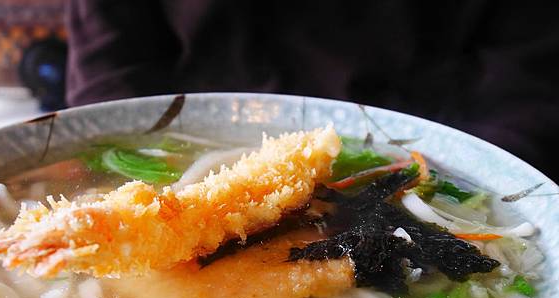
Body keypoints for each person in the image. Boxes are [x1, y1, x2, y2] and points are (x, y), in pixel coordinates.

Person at [66, 0, 559, 181]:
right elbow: (107, 88)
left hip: (423, 154)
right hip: (180, 154)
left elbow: (532, 95)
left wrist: (425, 183)